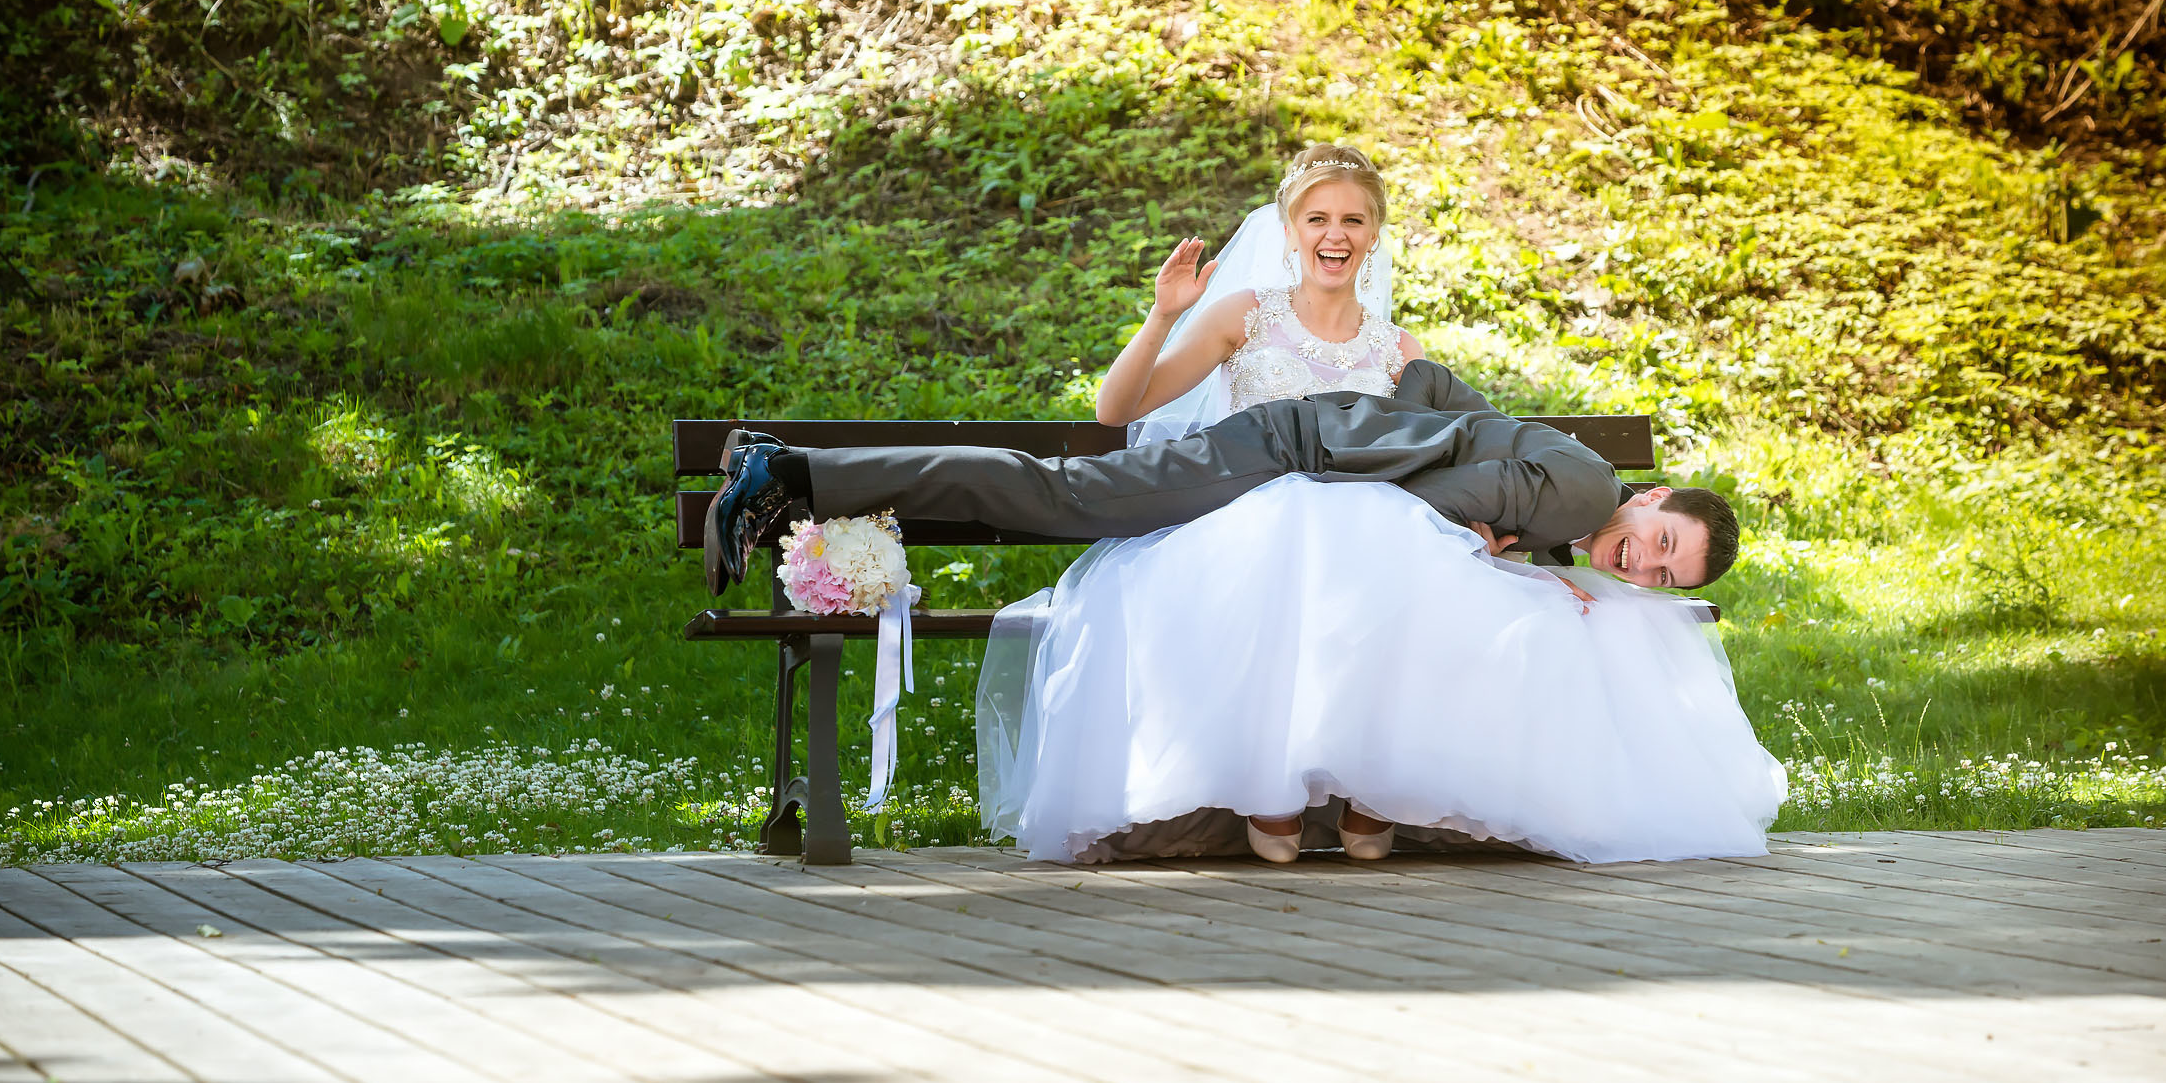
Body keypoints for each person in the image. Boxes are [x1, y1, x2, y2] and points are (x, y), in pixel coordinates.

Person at [705, 145, 1783, 864]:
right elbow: (1434, 494)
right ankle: (786, 471)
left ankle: (793, 472)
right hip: (1269, 460)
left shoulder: (1504, 444)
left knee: (1056, 494)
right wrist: (1491, 543)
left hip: (1287, 493)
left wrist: (1525, 553)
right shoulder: (1578, 484)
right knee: (1057, 493)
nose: (1644, 568)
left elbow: (1460, 426)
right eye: (1659, 543)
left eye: (1662, 573)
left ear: (1375, 237)